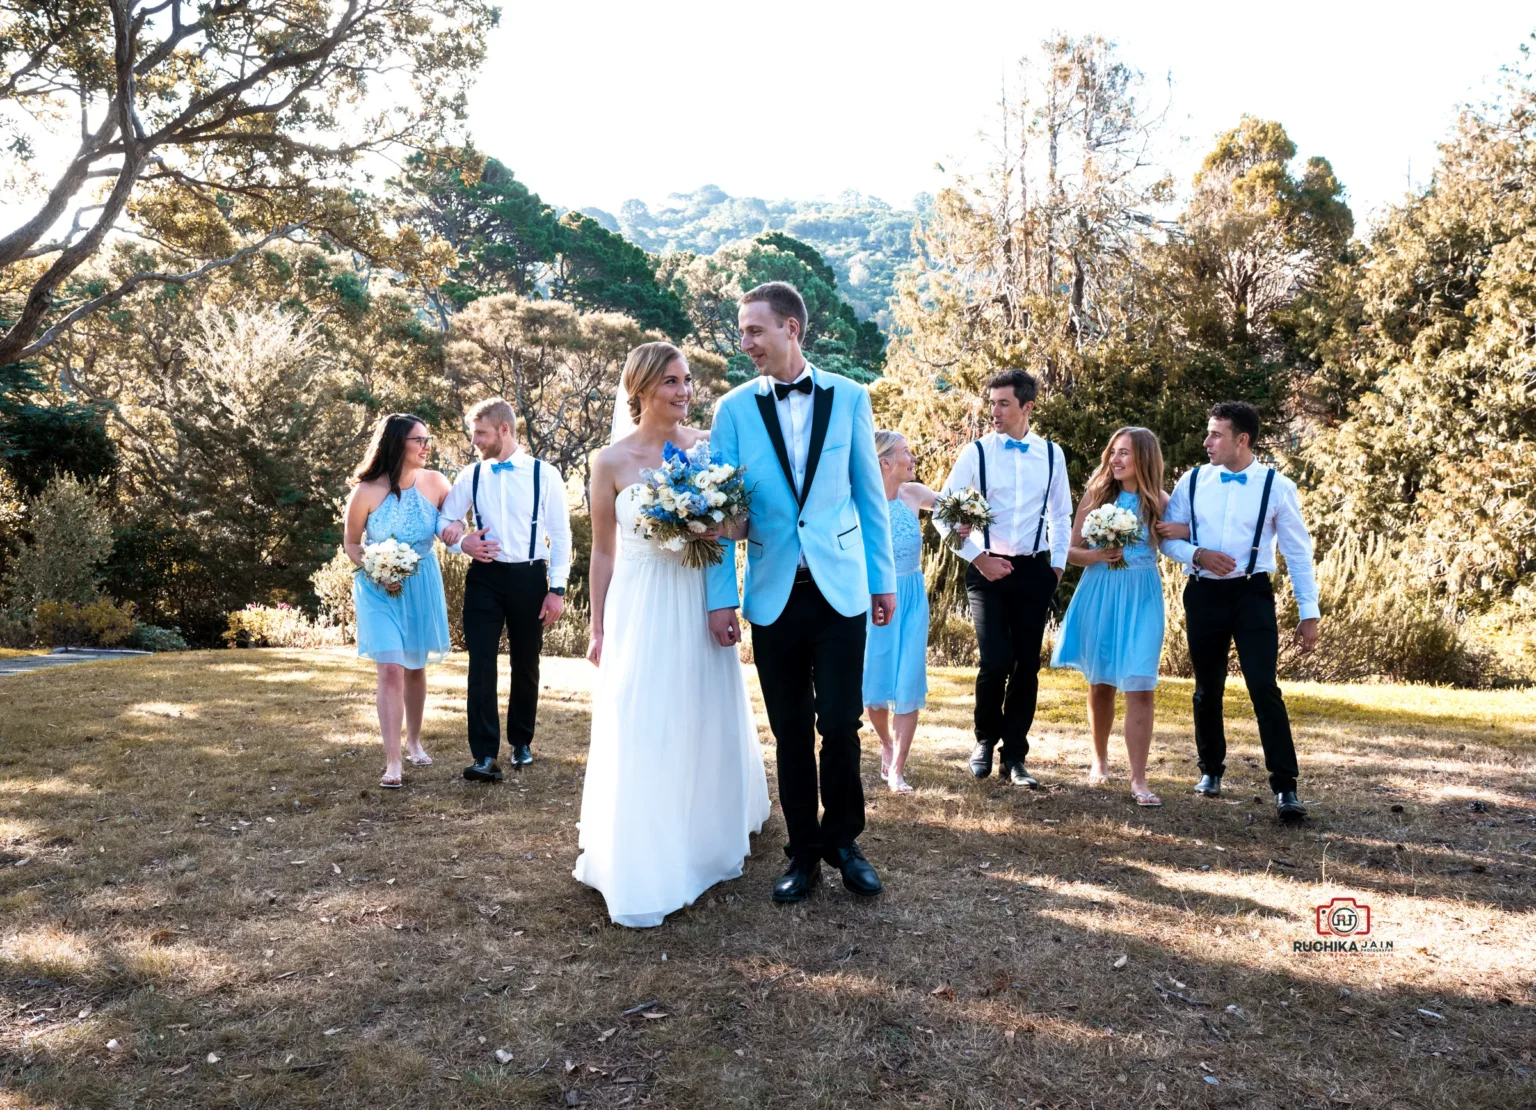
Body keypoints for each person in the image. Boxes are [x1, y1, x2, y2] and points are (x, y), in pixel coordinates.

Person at [705, 281, 896, 905]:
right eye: (742, 331)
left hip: (840, 591)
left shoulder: (850, 397)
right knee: (789, 729)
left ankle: (846, 844)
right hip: (770, 592)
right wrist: (719, 596)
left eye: (754, 330)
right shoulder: (732, 410)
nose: (745, 343)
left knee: (839, 724)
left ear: (791, 328)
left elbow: (870, 499)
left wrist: (882, 580)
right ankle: (803, 853)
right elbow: (721, 508)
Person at [572, 342, 770, 927]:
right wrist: (597, 623)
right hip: (637, 602)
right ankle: (642, 847)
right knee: (641, 713)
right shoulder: (608, 463)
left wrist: (711, 522)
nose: (684, 391)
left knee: (697, 710)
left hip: (693, 599)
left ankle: (700, 838)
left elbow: (737, 525)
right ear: (640, 389)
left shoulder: (706, 449)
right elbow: (604, 552)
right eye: (671, 382)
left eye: (687, 381)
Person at [1158, 401, 1321, 822]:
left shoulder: (1277, 486)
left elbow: (1298, 553)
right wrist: (1198, 554)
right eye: (1208, 432)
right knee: (1206, 687)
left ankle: (1286, 788)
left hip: (1253, 595)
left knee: (1264, 687)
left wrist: (1309, 611)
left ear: (1241, 439)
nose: (1207, 441)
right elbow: (1167, 539)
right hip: (1203, 593)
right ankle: (1210, 771)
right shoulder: (1191, 480)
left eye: (1215, 434)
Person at [935, 369, 1071, 788]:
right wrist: (978, 557)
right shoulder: (975, 453)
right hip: (986, 569)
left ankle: (1015, 755)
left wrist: (1057, 567)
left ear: (1027, 407)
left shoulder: (1052, 455)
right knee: (994, 662)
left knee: (1027, 666)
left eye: (1003, 403)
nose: (994, 411)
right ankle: (983, 741)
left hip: (1034, 570)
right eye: (992, 402)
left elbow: (1061, 514)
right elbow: (944, 512)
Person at [436, 399, 572, 782]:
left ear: (504, 430)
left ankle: (521, 742)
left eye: (481, 433)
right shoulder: (471, 475)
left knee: (526, 663)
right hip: (484, 578)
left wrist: (556, 590)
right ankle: (483, 755)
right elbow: (445, 520)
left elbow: (561, 536)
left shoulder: (544, 475)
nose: (475, 441)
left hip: (530, 577)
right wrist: (462, 542)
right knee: (480, 663)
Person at [1052, 427, 1184, 807]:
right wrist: (1098, 555)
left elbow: (1176, 541)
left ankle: (1139, 779)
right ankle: (1100, 761)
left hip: (1142, 595)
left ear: (1143, 458)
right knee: (1102, 682)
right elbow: (1071, 550)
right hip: (1101, 592)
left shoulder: (1159, 500)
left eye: (1125, 453)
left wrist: (1183, 529)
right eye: (1114, 452)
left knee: (1141, 684)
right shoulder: (1097, 495)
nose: (1116, 460)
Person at [342, 413, 453, 789]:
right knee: (390, 668)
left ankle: (415, 741)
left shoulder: (437, 483)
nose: (426, 446)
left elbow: (453, 527)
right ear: (397, 443)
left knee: (415, 666)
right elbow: (352, 544)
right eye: (419, 440)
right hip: (378, 588)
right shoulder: (367, 491)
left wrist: (462, 534)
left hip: (421, 583)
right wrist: (375, 566)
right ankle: (393, 762)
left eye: (428, 439)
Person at [864, 430, 936, 795]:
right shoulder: (861, 500)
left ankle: (897, 768)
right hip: (873, 597)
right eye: (906, 453)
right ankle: (886, 743)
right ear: (884, 462)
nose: (912, 459)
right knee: (874, 680)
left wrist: (966, 520)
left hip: (911, 595)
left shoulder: (914, 494)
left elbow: (956, 509)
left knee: (909, 675)